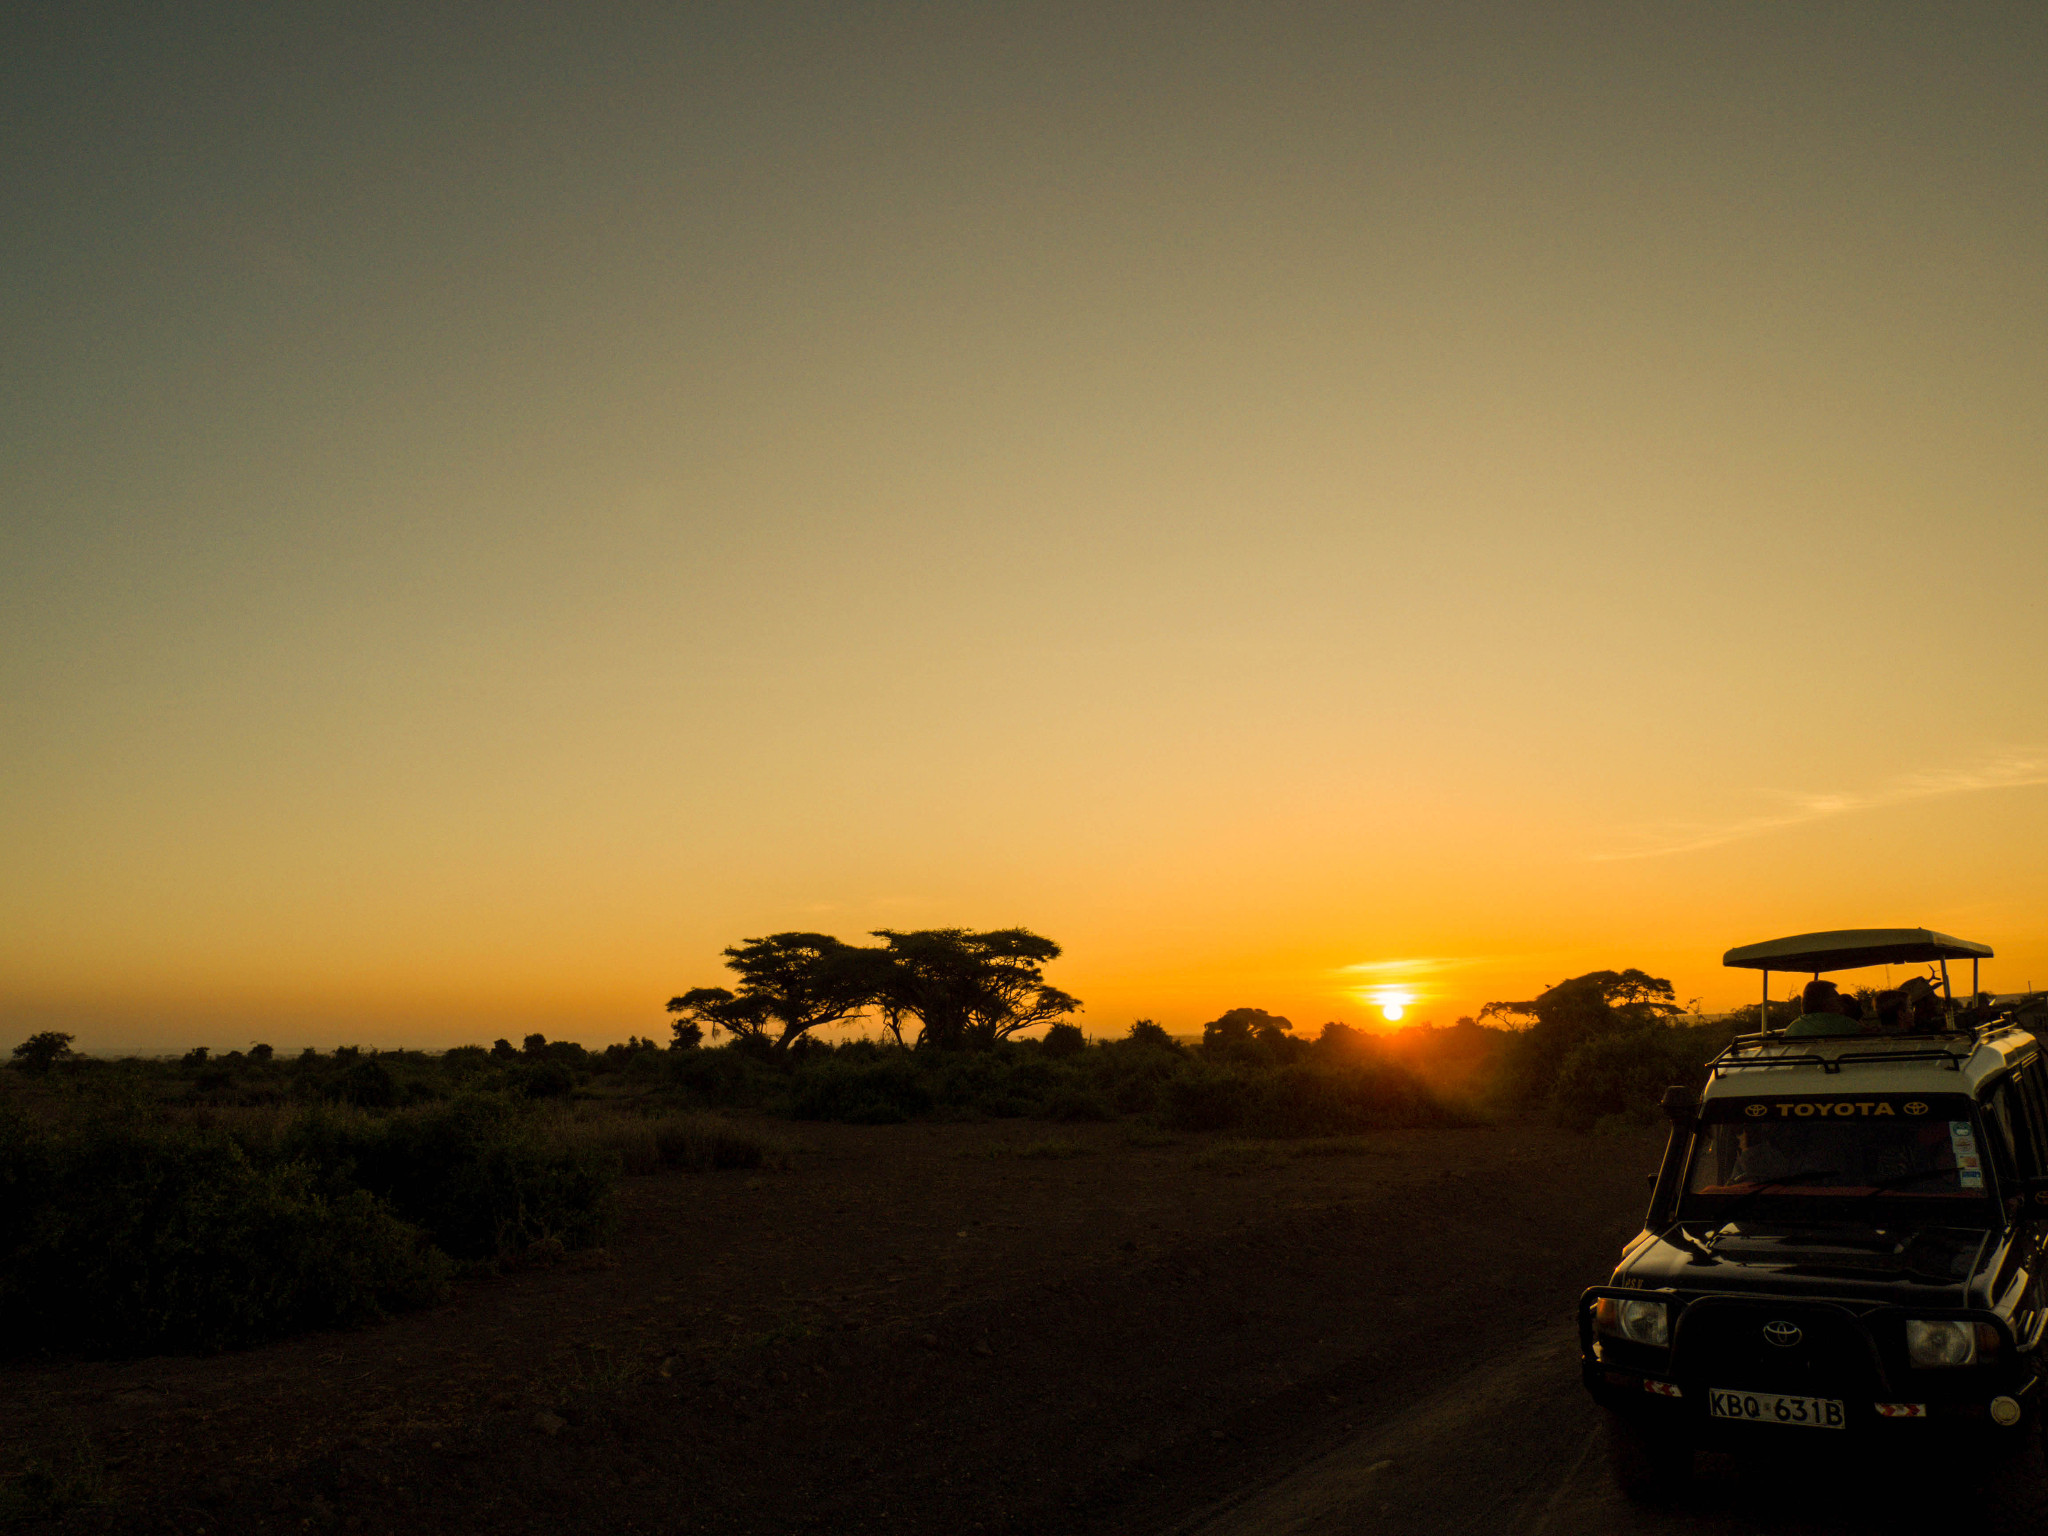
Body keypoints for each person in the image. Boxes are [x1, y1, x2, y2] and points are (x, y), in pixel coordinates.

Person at [1785, 979, 1860, 1037]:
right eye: (1835, 998)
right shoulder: (1845, 1024)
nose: (1840, 1002)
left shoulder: (1793, 1028)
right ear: (1825, 1002)